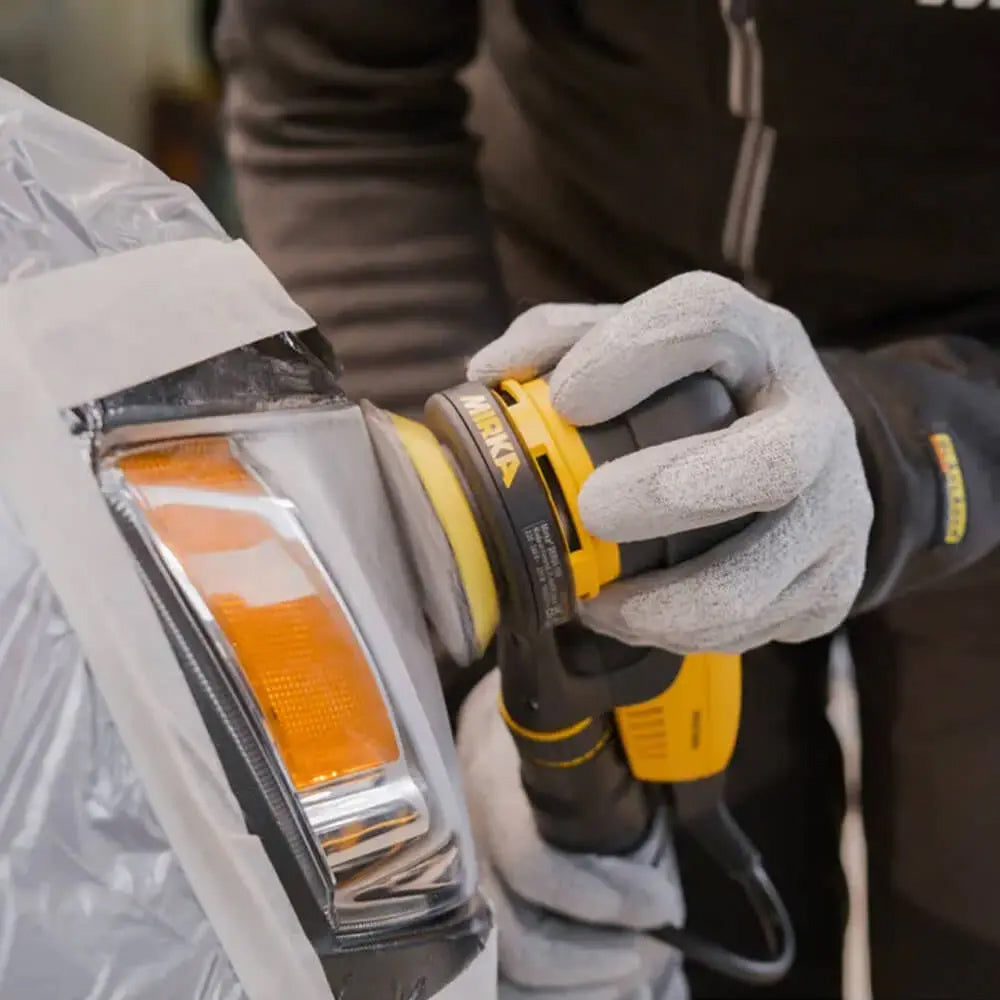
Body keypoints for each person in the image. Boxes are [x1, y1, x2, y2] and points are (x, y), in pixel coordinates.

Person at [213, 4, 1000, 998]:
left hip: (974, 366)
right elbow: (332, 97)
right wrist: (467, 618)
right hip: (581, 357)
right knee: (693, 928)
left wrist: (909, 451)